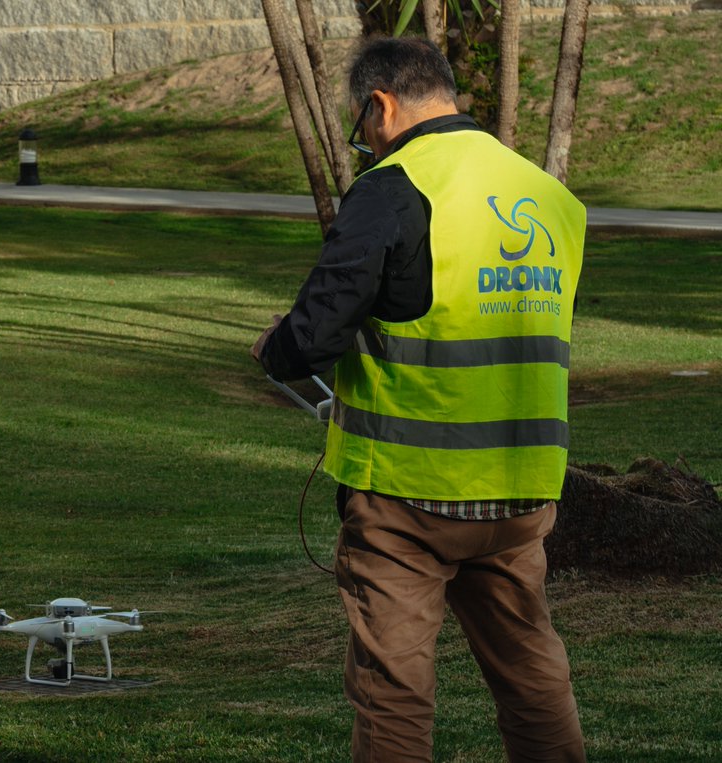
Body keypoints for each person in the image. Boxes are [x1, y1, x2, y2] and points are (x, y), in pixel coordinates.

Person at [250, 37, 588, 763]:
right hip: (520, 494)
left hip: (407, 497)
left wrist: (274, 348)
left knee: (394, 693)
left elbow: (314, 334)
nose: (363, 145)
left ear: (381, 104)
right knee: (533, 680)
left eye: (360, 128)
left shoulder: (393, 187)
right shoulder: (548, 197)